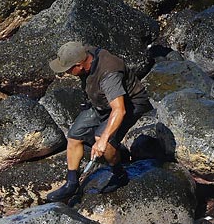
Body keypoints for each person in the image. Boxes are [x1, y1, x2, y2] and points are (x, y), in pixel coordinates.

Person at [44, 41, 152, 203]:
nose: (65, 73)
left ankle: (119, 173)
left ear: (79, 66)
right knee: (74, 135)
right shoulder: (85, 52)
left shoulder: (109, 74)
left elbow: (119, 110)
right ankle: (71, 183)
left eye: (67, 70)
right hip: (100, 102)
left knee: (104, 140)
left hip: (129, 104)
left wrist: (102, 139)